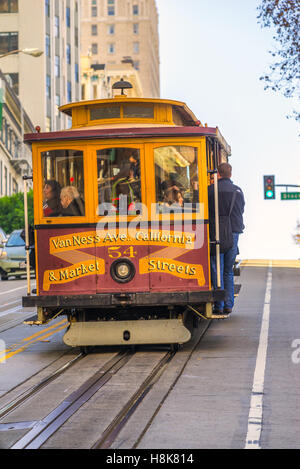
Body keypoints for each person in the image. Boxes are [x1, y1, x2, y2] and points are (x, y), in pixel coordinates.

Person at [208, 162, 245, 315]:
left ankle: (219, 304)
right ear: (230, 174)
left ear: (218, 173)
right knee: (228, 270)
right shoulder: (238, 191)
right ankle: (229, 304)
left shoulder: (210, 191)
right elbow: (241, 209)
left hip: (215, 232)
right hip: (233, 233)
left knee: (217, 267)